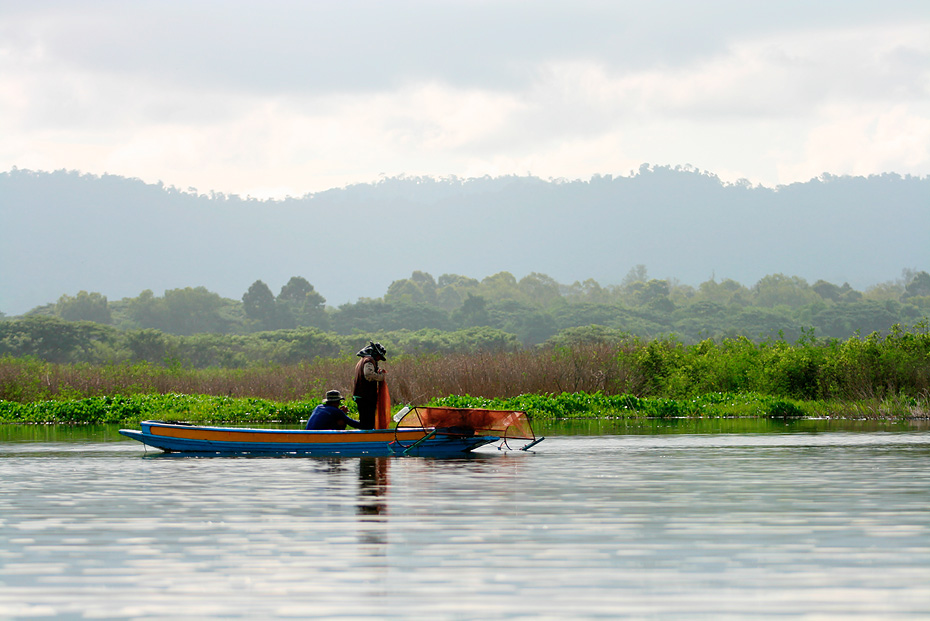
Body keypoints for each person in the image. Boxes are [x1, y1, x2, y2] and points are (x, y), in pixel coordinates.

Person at [352, 341, 387, 430]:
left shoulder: (363, 360)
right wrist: (380, 377)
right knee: (367, 423)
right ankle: (366, 441)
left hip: (362, 396)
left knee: (365, 421)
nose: (379, 359)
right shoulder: (368, 360)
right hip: (365, 397)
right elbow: (368, 375)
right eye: (379, 356)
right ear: (375, 353)